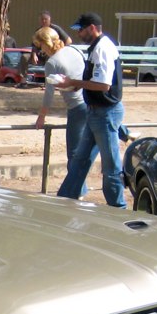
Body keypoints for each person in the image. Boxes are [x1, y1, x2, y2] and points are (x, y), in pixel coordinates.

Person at [56, 12, 126, 208]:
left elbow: (103, 85)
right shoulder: (98, 47)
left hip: (105, 112)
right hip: (97, 112)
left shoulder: (102, 49)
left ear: (92, 28)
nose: (78, 34)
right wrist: (77, 85)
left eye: (81, 29)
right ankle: (64, 199)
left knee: (110, 165)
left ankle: (118, 207)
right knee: (80, 159)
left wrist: (74, 82)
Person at [32, 26, 94, 196]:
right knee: (88, 147)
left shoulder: (52, 63)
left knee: (74, 153)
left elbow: (49, 94)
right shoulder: (73, 50)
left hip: (76, 107)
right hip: (90, 102)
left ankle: (76, 192)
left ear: (46, 43)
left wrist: (41, 116)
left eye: (40, 45)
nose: (40, 49)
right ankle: (80, 189)